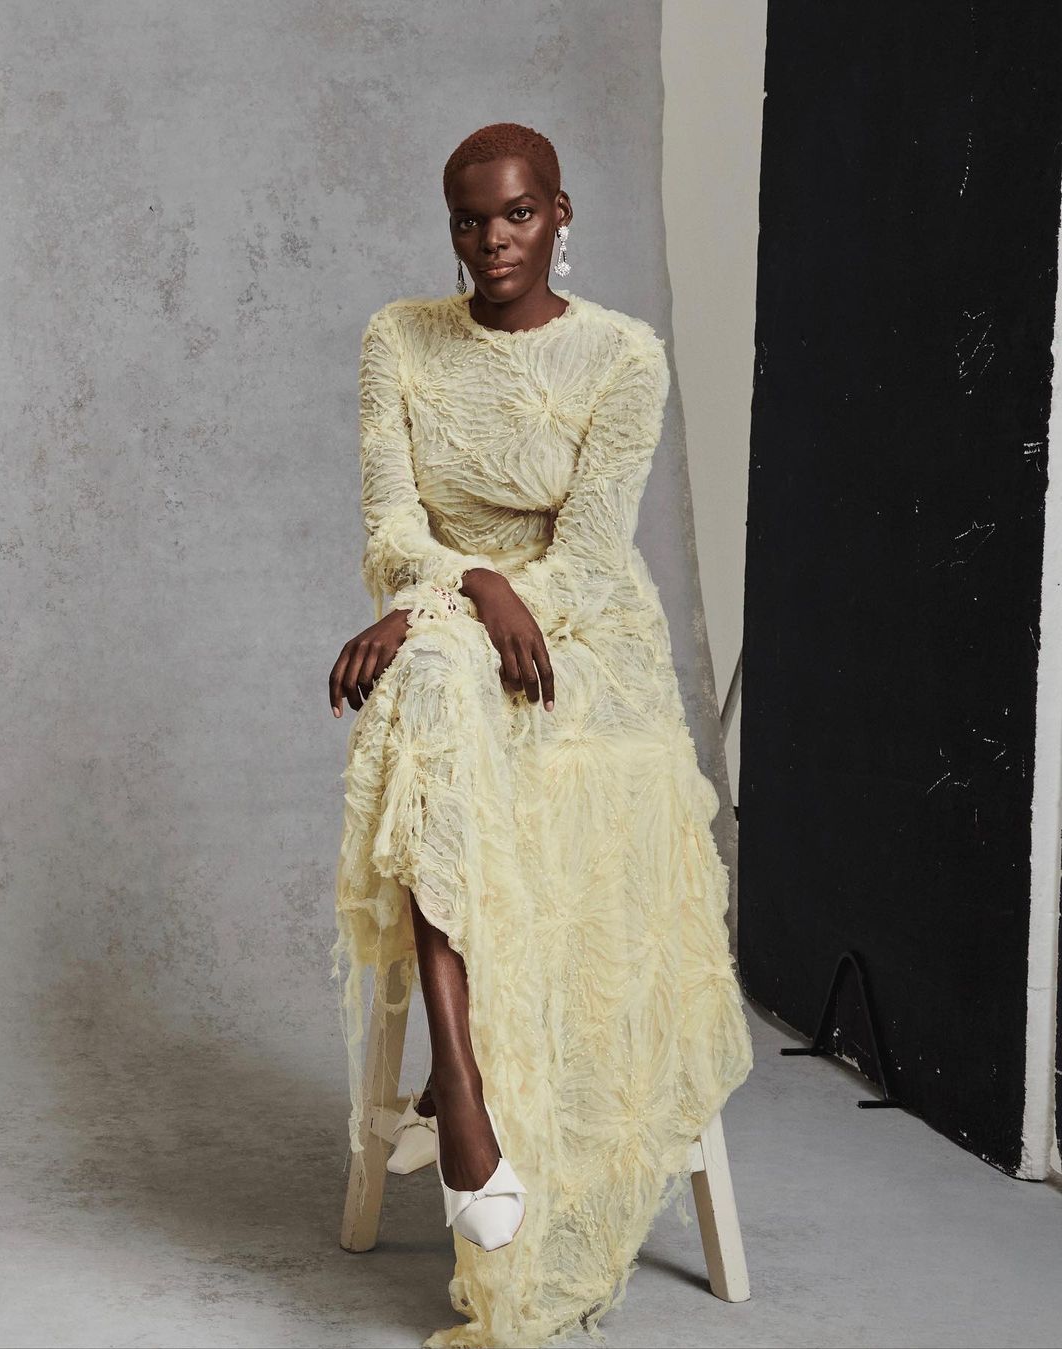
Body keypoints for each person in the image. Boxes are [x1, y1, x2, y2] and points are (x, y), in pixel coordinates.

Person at [328, 121, 754, 1349]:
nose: (492, 241)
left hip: (583, 650)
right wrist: (465, 590)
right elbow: (390, 530)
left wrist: (452, 608)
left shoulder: (623, 355)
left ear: (560, 212)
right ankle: (464, 1089)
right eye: (469, 220)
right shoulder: (398, 337)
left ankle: (460, 1087)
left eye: (517, 214)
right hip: (459, 630)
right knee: (436, 681)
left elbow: (590, 556)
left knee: (426, 678)